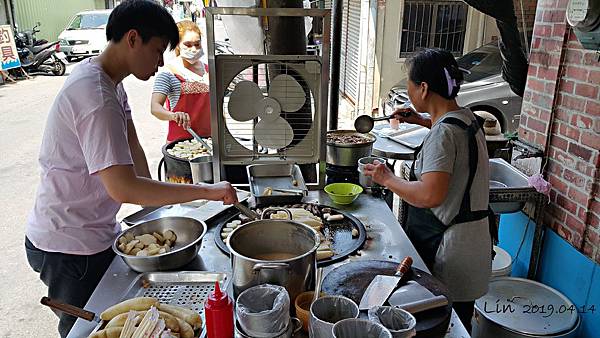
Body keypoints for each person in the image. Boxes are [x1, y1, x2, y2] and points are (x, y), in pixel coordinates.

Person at [24, 1, 237, 337]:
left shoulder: (110, 83)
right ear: (133, 38)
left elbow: (134, 149)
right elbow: (123, 187)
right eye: (156, 51)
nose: (159, 62)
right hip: (68, 244)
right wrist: (209, 191)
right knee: (89, 328)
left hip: (89, 232)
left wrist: (159, 213)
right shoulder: (94, 93)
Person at [363, 48, 492, 332]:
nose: (407, 93)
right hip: (473, 243)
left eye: (409, 87)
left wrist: (386, 178)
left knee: (443, 325)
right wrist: (420, 120)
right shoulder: (466, 117)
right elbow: (453, 139)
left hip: (449, 249)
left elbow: (430, 195)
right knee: (460, 320)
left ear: (423, 88)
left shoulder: (443, 134)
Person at [151, 20, 210, 142]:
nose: (194, 49)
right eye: (188, 45)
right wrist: (173, 116)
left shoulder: (209, 70)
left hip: (210, 142)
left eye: (197, 44)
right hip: (180, 144)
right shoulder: (168, 73)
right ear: (177, 45)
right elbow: (155, 107)